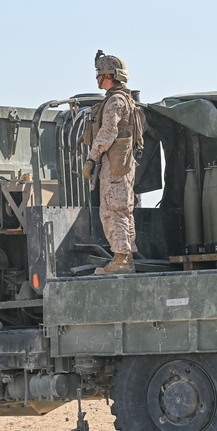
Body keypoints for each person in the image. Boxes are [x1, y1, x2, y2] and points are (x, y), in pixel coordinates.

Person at [83, 50, 141, 275]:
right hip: (120, 165)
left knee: (114, 210)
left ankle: (122, 260)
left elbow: (108, 131)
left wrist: (92, 157)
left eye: (99, 73)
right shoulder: (121, 99)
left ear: (108, 75)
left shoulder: (116, 101)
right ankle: (124, 257)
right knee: (121, 209)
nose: (97, 78)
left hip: (116, 167)